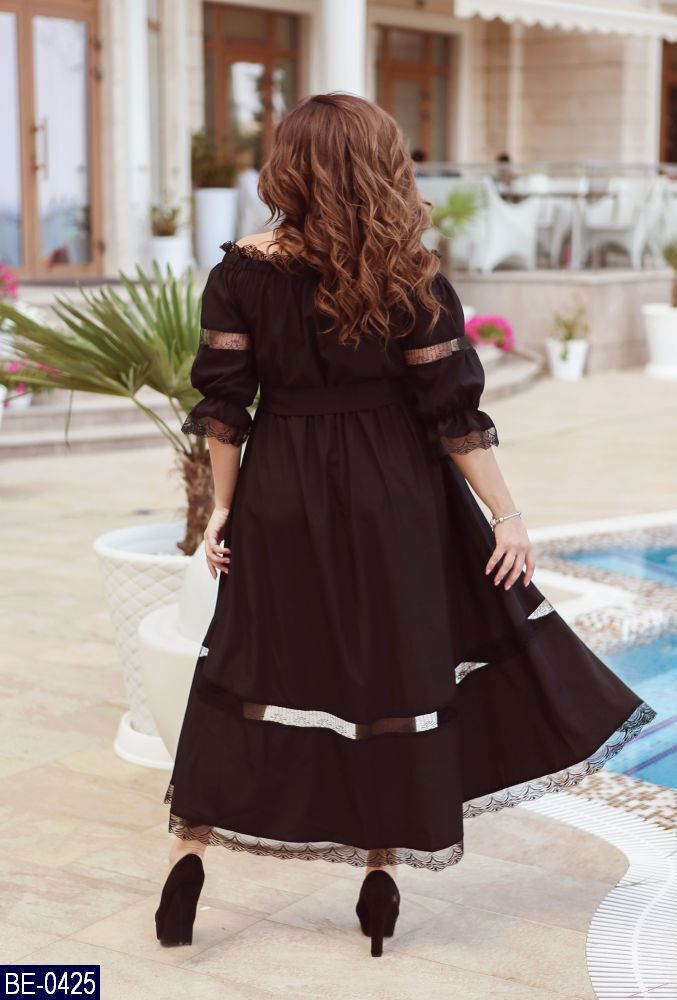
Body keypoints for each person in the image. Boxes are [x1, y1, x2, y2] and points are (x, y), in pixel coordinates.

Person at [155, 93, 655, 958]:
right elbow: (451, 415)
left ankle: (186, 856)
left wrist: (226, 508)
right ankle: (379, 879)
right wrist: (506, 516)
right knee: (388, 672)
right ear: (381, 164)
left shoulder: (238, 271)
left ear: (288, 166)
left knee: (245, 662)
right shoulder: (408, 273)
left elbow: (225, 411)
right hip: (395, 495)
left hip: (281, 491)